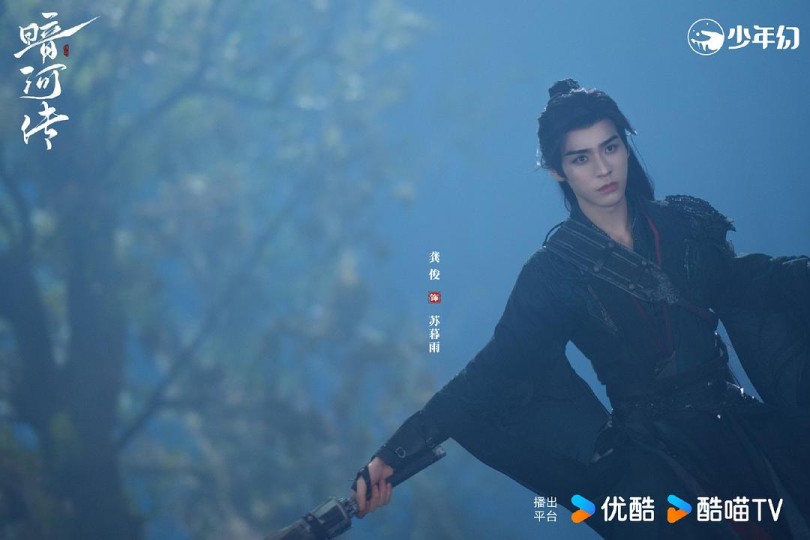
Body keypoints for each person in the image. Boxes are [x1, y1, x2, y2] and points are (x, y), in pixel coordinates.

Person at [352, 79, 810, 538]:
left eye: (610, 148)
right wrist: (395, 454)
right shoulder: (553, 273)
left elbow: (755, 284)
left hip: (741, 430)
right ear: (557, 170)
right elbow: (495, 368)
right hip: (656, 458)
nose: (603, 168)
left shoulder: (685, 224)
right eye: (581, 158)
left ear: (626, 147)